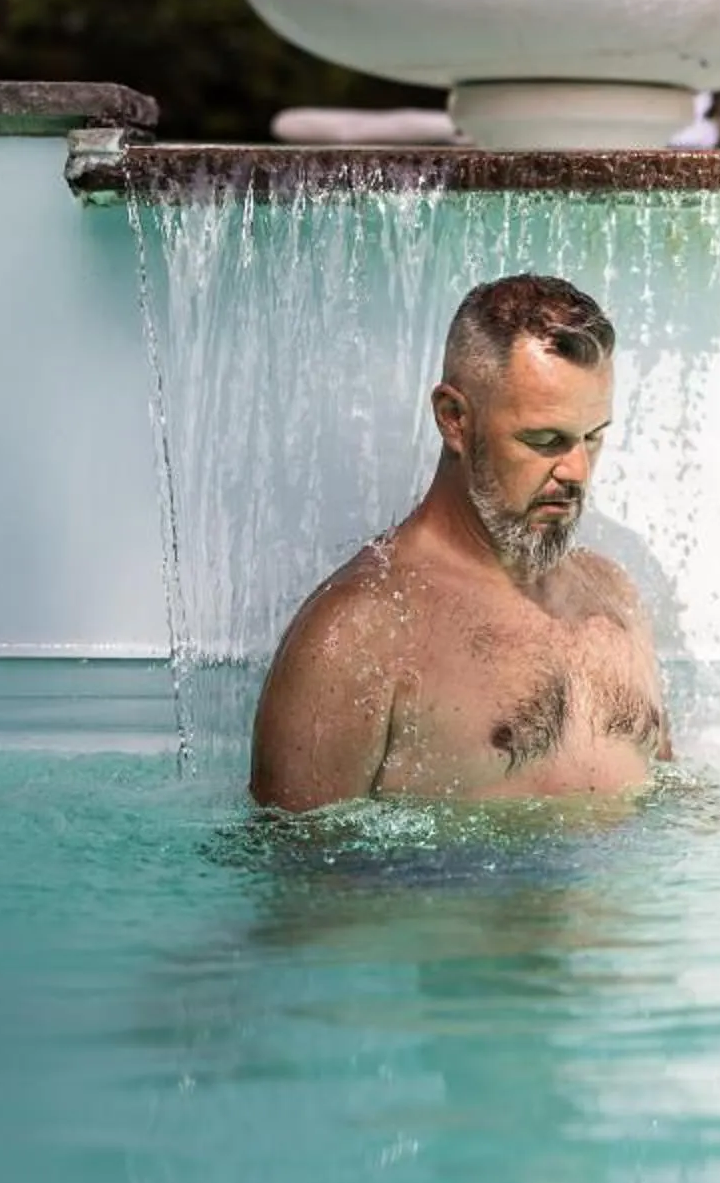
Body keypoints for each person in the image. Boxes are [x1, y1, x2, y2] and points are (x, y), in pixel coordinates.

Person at [250, 275, 671, 810]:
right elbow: (294, 860)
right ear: (454, 419)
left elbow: (670, 801)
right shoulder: (360, 634)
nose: (577, 472)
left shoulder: (613, 597)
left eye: (593, 437)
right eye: (545, 440)